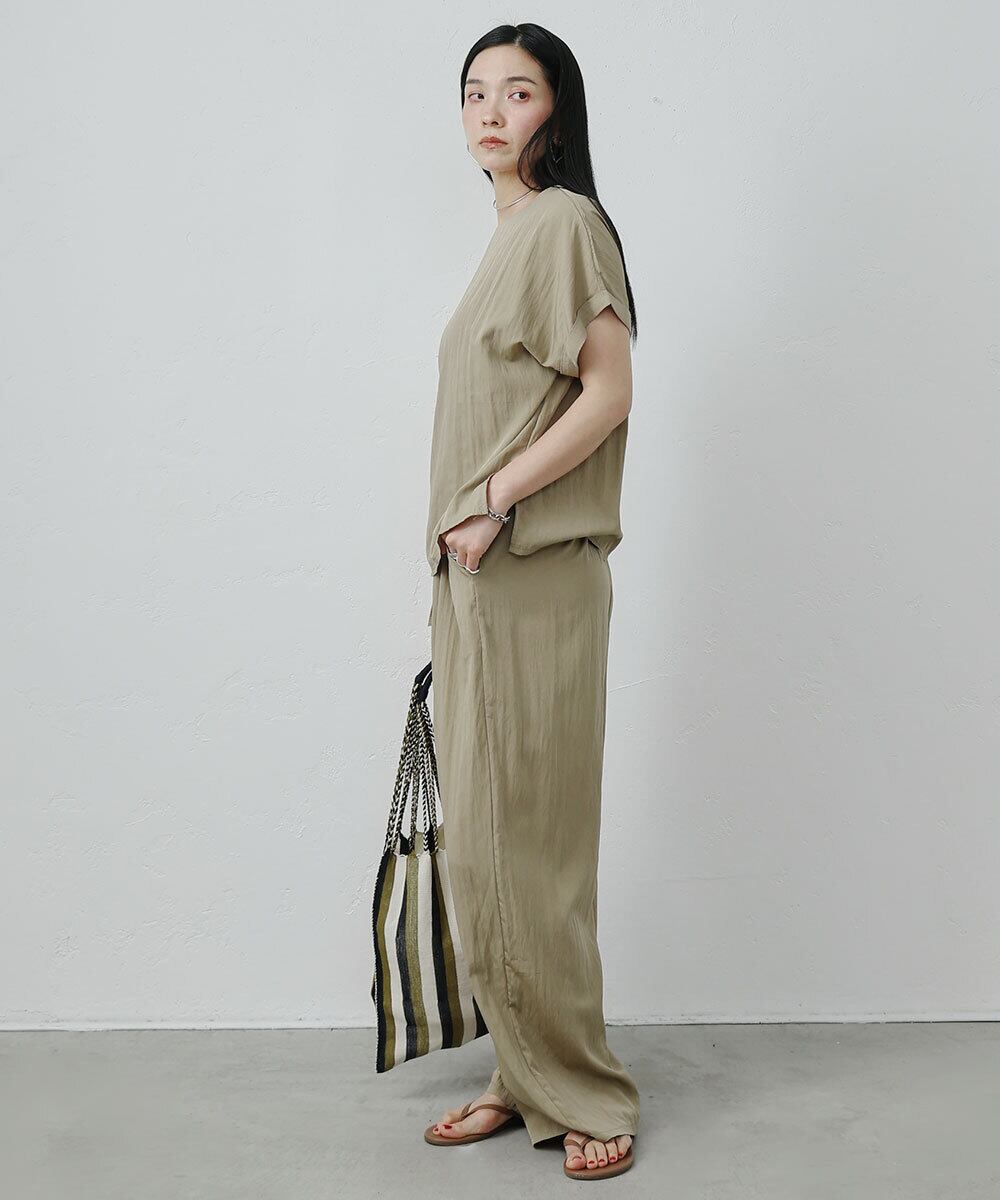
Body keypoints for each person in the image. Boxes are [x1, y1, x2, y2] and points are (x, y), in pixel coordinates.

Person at [423, 23, 641, 1181]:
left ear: (557, 111)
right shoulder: (509, 237)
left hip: (534, 572)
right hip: (480, 581)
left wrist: (494, 500)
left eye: (516, 92)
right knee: (485, 846)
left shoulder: (560, 224)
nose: (490, 112)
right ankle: (521, 1070)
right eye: (474, 93)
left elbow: (607, 392)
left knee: (534, 844)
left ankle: (583, 1087)